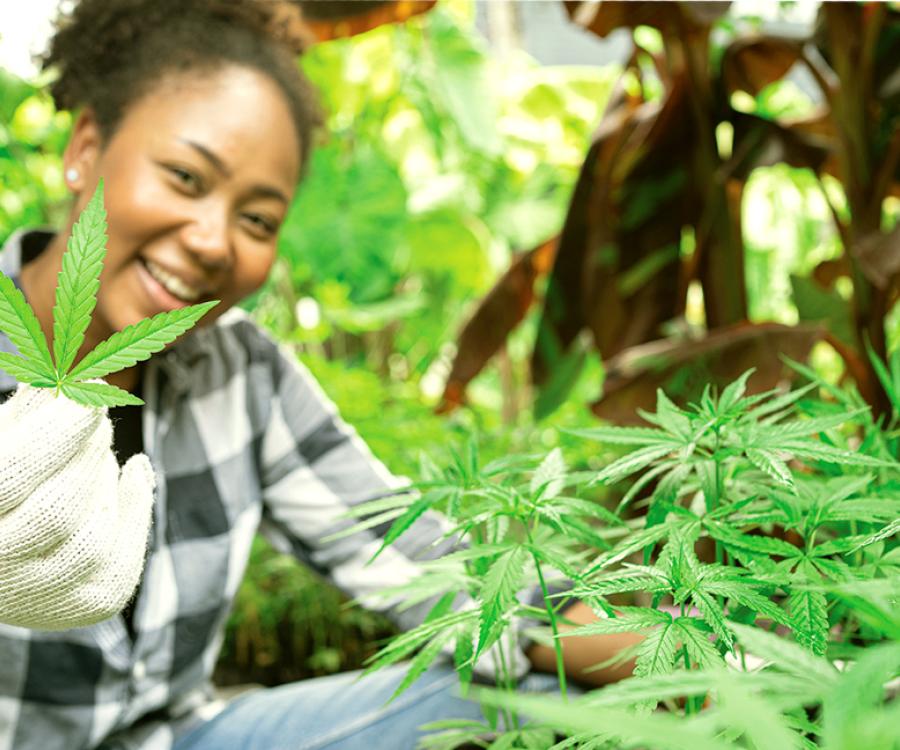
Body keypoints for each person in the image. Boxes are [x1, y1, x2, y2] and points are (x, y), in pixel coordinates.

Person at [0, 1, 641, 748]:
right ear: (85, 147)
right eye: (184, 175)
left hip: (179, 739)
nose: (212, 240)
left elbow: (418, 560)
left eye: (258, 220)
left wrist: (722, 656)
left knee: (536, 697)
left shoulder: (242, 371)